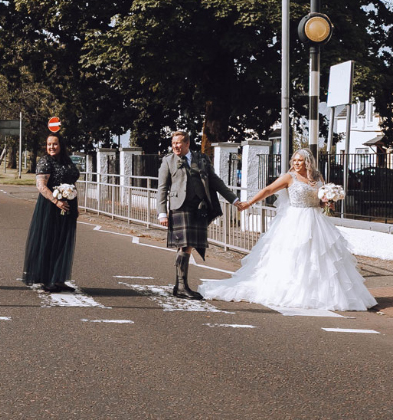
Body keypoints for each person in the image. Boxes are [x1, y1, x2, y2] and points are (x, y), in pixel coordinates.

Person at [199, 149, 376, 311]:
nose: (297, 163)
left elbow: (320, 202)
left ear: (308, 162)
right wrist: (249, 203)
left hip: (316, 221)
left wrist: (328, 199)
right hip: (295, 221)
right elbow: (268, 189)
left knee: (320, 257)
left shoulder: (317, 177)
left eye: (300, 160)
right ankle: (292, 290)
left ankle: (320, 293)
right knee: (295, 256)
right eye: (295, 160)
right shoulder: (289, 177)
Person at [157, 130, 239, 300]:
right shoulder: (168, 161)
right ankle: (180, 286)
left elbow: (216, 182)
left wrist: (234, 200)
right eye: (173, 143)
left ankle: (179, 286)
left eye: (178, 143)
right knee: (185, 244)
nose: (175, 146)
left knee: (188, 245)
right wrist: (162, 213)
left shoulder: (201, 159)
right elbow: (162, 188)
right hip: (180, 207)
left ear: (187, 143)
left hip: (199, 208)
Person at [23, 134, 80, 292]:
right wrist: (56, 202)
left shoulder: (67, 161)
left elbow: (72, 184)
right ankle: (47, 279)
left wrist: (75, 206)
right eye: (49, 144)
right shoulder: (45, 161)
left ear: (61, 144)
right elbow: (41, 186)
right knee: (49, 241)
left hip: (67, 206)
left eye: (54, 144)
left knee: (63, 242)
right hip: (50, 207)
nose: (51, 147)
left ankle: (59, 279)